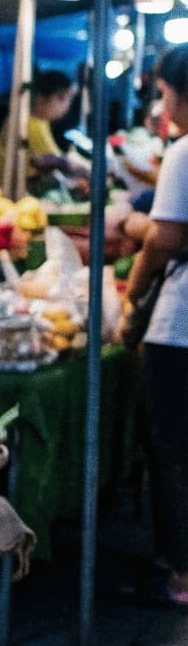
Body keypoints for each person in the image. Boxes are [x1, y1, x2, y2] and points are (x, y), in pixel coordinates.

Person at [120, 44, 188, 607]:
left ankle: (180, 575)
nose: (163, 106)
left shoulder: (185, 152)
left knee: (170, 450)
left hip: (180, 327)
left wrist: (131, 300)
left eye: (165, 93)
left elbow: (165, 240)